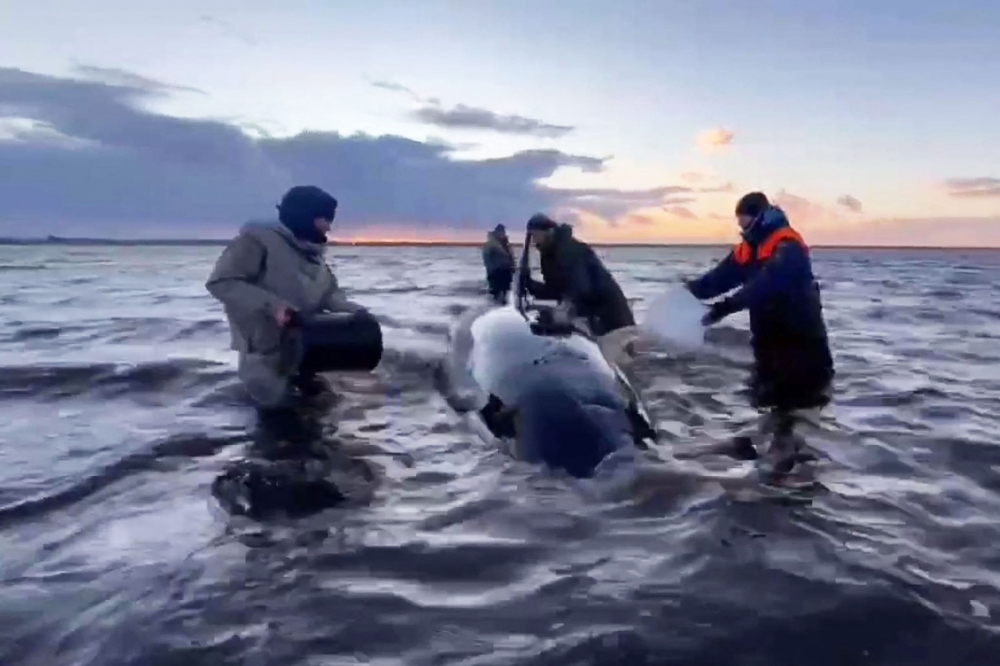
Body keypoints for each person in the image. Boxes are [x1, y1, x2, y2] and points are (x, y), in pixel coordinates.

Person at [684, 192, 834, 467]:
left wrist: (722, 309)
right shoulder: (750, 248)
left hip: (801, 345)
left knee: (798, 406)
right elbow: (720, 278)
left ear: (760, 218)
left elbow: (763, 287)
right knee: (771, 404)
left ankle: (791, 472)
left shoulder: (787, 248)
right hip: (770, 344)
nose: (743, 229)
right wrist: (690, 292)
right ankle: (770, 458)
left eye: (746, 223)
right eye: (739, 225)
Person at [206, 185, 366, 410]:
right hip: (263, 353)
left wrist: (355, 312)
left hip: (308, 349)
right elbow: (222, 282)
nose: (328, 226)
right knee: (275, 421)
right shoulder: (256, 242)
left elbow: (330, 294)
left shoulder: (315, 254)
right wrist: (275, 307)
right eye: (324, 218)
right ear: (304, 216)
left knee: (316, 418)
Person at [522, 213, 635, 341]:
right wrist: (531, 285)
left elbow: (581, 288)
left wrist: (566, 307)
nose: (533, 240)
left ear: (549, 231)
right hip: (592, 312)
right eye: (532, 236)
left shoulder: (568, 250)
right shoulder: (549, 254)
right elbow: (555, 290)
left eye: (536, 235)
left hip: (609, 313)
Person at [481, 223, 515, 303]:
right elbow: (487, 258)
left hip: (506, 272)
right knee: (497, 293)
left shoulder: (505, 243)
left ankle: (503, 304)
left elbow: (510, 256)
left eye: (504, 232)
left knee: (505, 292)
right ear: (497, 232)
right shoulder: (492, 243)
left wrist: (512, 266)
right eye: (501, 232)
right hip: (496, 273)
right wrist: (491, 270)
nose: (503, 233)